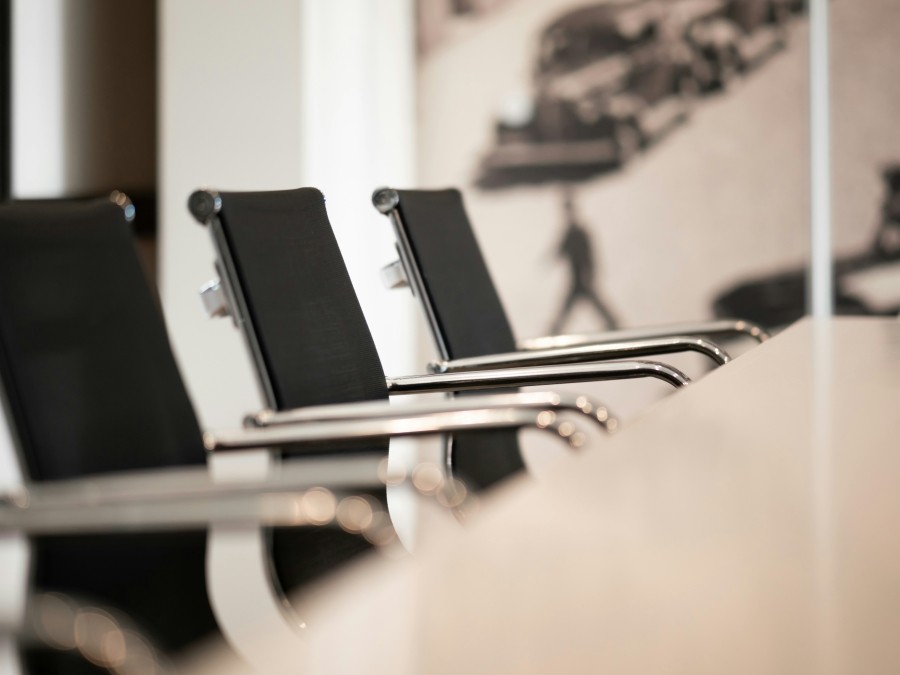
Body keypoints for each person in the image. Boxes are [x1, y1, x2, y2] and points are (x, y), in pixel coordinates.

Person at [549, 188, 620, 334]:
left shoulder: (580, 232)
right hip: (575, 278)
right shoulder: (569, 233)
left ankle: (614, 326)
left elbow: (590, 254)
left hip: (583, 277)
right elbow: (560, 250)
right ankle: (554, 333)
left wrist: (591, 272)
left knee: (588, 303)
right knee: (570, 307)